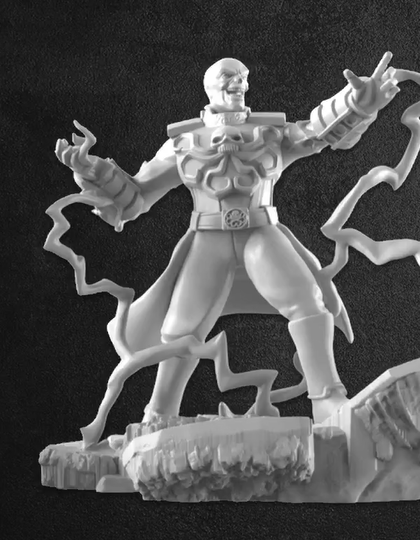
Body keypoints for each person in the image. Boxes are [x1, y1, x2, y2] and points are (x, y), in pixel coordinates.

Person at [55, 54, 399, 423]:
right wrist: (94, 171)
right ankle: (159, 414)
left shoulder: (270, 132)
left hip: (260, 233)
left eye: (243, 77)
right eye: (229, 76)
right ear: (209, 85)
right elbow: (136, 198)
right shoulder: (183, 142)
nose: (240, 84)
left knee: (307, 300)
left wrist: (356, 103)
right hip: (208, 239)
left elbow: (316, 133)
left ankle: (327, 398)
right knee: (180, 328)